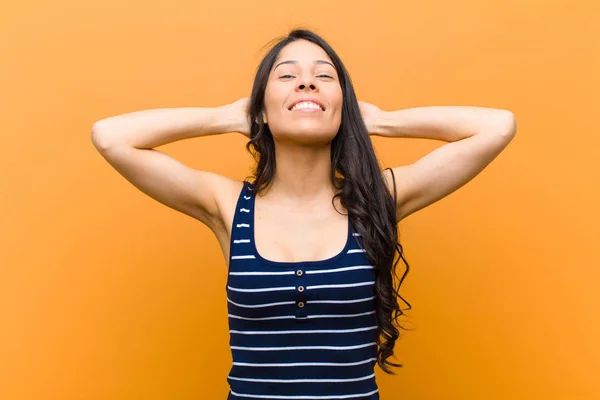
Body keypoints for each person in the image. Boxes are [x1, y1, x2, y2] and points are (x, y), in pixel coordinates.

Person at [91, 29, 516, 399]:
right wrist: (227, 116)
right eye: (288, 75)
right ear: (262, 106)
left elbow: (497, 127)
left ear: (343, 106)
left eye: (324, 76)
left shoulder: (376, 198)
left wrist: (382, 121)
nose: (307, 83)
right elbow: (110, 137)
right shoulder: (226, 205)